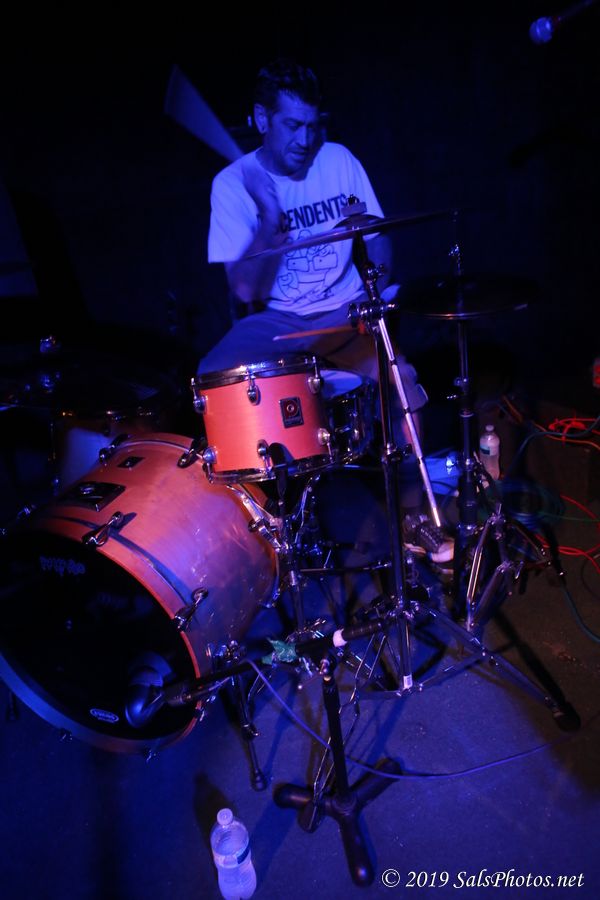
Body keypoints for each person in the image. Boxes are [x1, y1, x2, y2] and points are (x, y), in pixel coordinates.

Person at [197, 58, 452, 563]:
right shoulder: (231, 183)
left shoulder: (337, 160)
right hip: (279, 320)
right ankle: (255, 531)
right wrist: (269, 218)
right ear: (262, 119)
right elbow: (245, 289)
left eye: (313, 126)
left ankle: (413, 515)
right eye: (293, 125)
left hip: (343, 310)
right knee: (213, 378)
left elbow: (376, 239)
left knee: (401, 384)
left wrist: (374, 295)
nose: (305, 139)